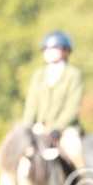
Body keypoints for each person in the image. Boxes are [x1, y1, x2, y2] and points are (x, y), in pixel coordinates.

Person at [23, 31, 84, 168]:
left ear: (65, 51)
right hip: (39, 127)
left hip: (65, 129)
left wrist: (57, 128)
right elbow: (31, 104)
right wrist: (27, 126)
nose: (48, 52)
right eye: (46, 49)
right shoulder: (38, 75)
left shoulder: (73, 75)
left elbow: (73, 106)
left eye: (53, 48)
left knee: (75, 151)